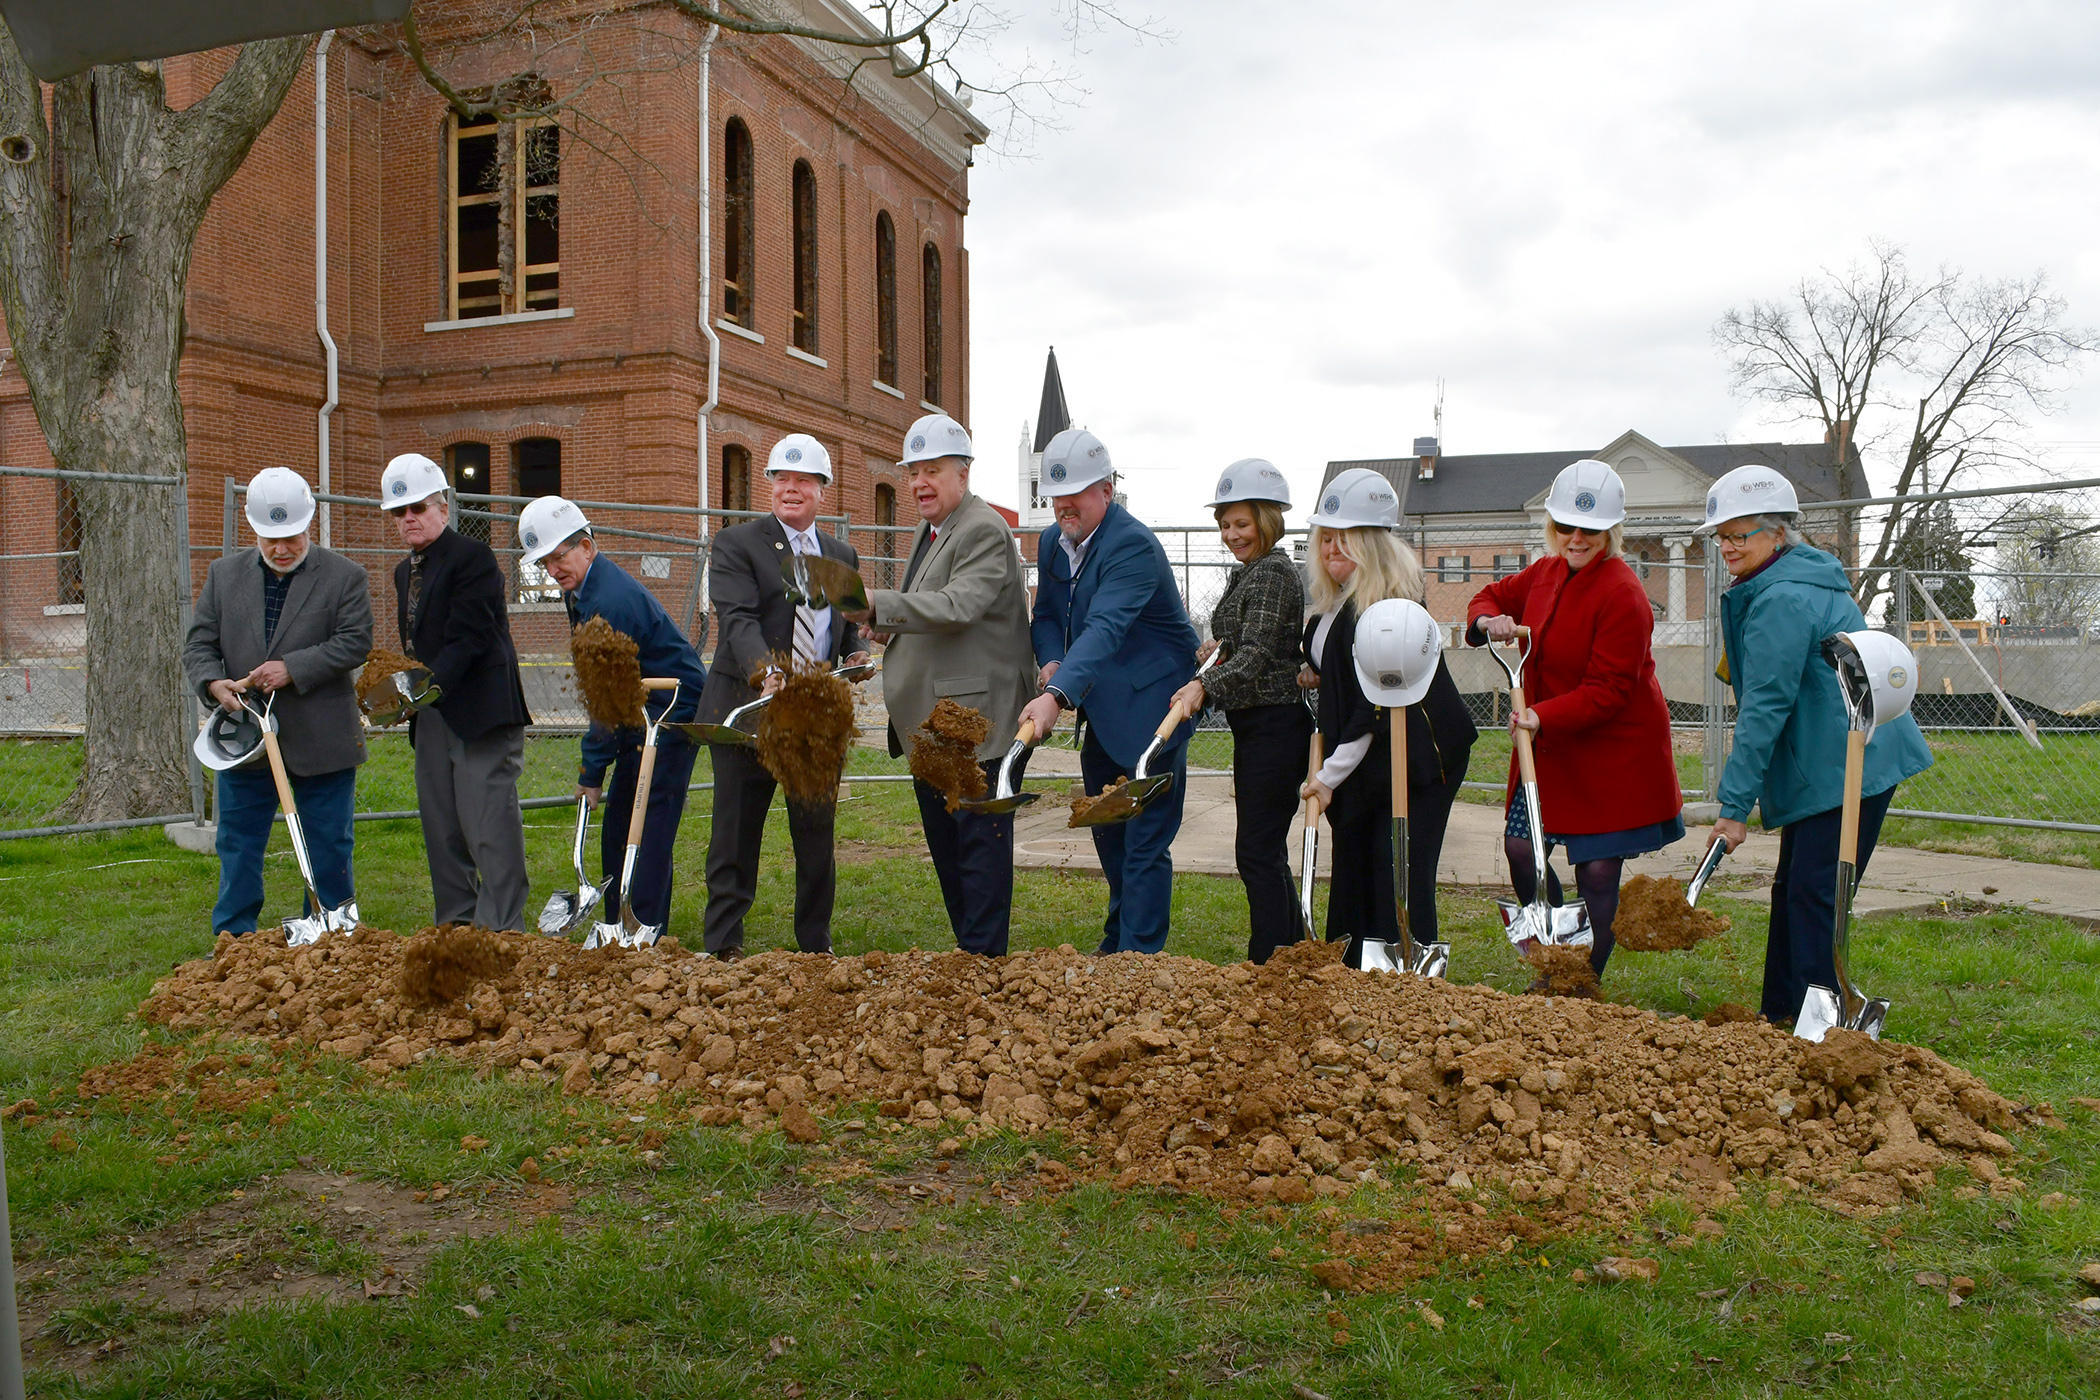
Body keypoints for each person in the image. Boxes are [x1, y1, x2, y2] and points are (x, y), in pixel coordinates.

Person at [1697, 465, 1932, 1024]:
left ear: (1777, 533)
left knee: (1813, 895)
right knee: (1797, 889)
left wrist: (1733, 810)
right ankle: (1782, 1014)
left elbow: (1765, 708)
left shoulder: (1783, 598)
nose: (1727, 546)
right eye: (1720, 536)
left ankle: (1820, 1033)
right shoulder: (1784, 580)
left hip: (1849, 761)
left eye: (1739, 534)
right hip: (1834, 758)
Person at [1467, 458, 1682, 986]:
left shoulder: (1624, 594)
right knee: (1523, 851)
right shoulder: (1544, 573)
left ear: (1611, 531)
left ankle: (1579, 979)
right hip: (1547, 745)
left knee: (1598, 871)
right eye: (1566, 527)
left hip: (1611, 753)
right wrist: (1486, 619)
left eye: (1590, 529)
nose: (1576, 538)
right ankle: (1555, 954)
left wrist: (1542, 715)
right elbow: (1492, 595)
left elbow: (1610, 690)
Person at [844, 414, 1037, 955]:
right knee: (950, 850)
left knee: (976, 850)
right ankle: (972, 957)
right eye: (913, 472)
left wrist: (879, 603)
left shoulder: (981, 528)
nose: (919, 483)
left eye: (932, 470)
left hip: (972, 722)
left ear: (964, 472)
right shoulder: (931, 531)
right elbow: (940, 619)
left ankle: (983, 964)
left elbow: (959, 605)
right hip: (935, 723)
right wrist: (888, 631)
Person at [1018, 429, 1199, 956]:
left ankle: (1138, 959)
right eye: (1057, 496)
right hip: (1100, 702)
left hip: (1155, 706)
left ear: (1107, 489)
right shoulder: (1055, 540)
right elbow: (1049, 614)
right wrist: (1053, 661)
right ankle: (1119, 938)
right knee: (1110, 831)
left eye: (1076, 493)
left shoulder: (1132, 545)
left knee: (1144, 838)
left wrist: (1056, 695)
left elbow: (1104, 628)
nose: (1064, 506)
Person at [697, 434, 871, 960]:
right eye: (780, 479)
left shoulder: (841, 553)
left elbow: (844, 627)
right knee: (735, 835)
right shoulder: (737, 544)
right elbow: (738, 618)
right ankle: (724, 943)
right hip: (749, 710)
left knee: (815, 837)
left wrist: (856, 651)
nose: (789, 489)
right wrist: (765, 671)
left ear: (823, 490)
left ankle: (815, 946)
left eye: (802, 481)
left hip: (814, 719)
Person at [183, 467, 372, 936]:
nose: (282, 548)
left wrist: (292, 668)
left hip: (322, 740)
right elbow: (199, 645)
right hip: (244, 741)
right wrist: (213, 684)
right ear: (254, 529)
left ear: (308, 524)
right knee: (238, 844)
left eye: (291, 536)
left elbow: (355, 641)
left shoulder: (344, 576)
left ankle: (329, 933)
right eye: (271, 538)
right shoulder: (224, 576)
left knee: (329, 843)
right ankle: (234, 936)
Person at [1298, 469, 1476, 965]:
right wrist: (1316, 671)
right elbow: (1331, 660)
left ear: (1373, 543)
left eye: (1346, 538)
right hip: (1368, 759)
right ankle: (1351, 966)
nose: (1333, 548)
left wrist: (1327, 777)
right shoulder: (1338, 602)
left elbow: (1371, 708)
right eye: (1326, 537)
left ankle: (1403, 983)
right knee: (1354, 856)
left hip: (1420, 758)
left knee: (1396, 865)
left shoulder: (1387, 606)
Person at [520, 494, 707, 939]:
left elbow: (606, 700)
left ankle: (642, 927)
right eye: (543, 562)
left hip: (671, 714)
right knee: (620, 827)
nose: (552, 570)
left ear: (586, 545)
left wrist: (591, 769)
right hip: (634, 714)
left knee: (649, 827)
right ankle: (614, 922)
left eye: (558, 556)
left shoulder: (610, 601)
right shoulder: (582, 591)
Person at [379, 452, 533, 931]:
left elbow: (469, 639)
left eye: (419, 507)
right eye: (399, 512)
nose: (409, 518)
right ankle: (456, 926)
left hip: (480, 714)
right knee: (442, 828)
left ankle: (502, 931)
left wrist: (414, 692)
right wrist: (402, 694)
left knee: (488, 828)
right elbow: (419, 646)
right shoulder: (406, 572)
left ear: (442, 506)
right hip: (433, 716)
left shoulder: (474, 558)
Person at [1166, 459, 1311, 964]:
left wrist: (1202, 686)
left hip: (1276, 725)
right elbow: (1243, 644)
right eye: (1225, 525)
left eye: (1242, 524)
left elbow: (1256, 657)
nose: (1232, 534)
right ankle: (1292, 952)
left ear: (1268, 520)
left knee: (1256, 850)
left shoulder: (1272, 572)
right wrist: (1216, 648)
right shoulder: (1249, 572)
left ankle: (1269, 960)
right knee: (1264, 849)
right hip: (1257, 727)